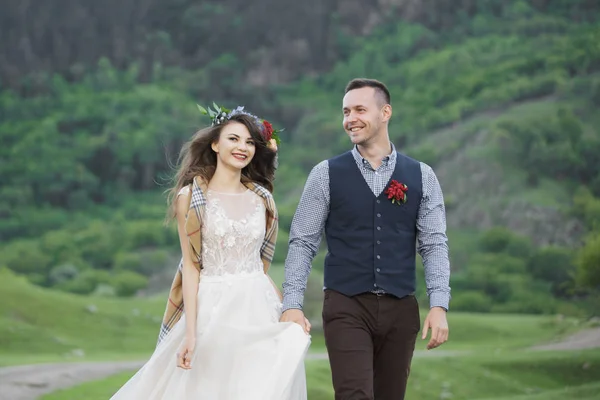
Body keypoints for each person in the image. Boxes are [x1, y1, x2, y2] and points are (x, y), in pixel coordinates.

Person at [110, 105, 311, 400]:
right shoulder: (190, 198)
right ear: (215, 144)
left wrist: (289, 309)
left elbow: (259, 266)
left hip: (259, 306)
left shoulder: (262, 199)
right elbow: (191, 267)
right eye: (233, 139)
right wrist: (190, 333)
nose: (242, 147)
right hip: (214, 308)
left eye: (249, 142)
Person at [280, 78, 451, 400]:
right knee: (353, 394)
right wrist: (292, 304)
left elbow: (434, 244)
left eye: (360, 109)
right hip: (346, 304)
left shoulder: (422, 175)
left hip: (401, 308)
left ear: (385, 112)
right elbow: (303, 242)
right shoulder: (325, 174)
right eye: (346, 111)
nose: (350, 119)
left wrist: (439, 304)